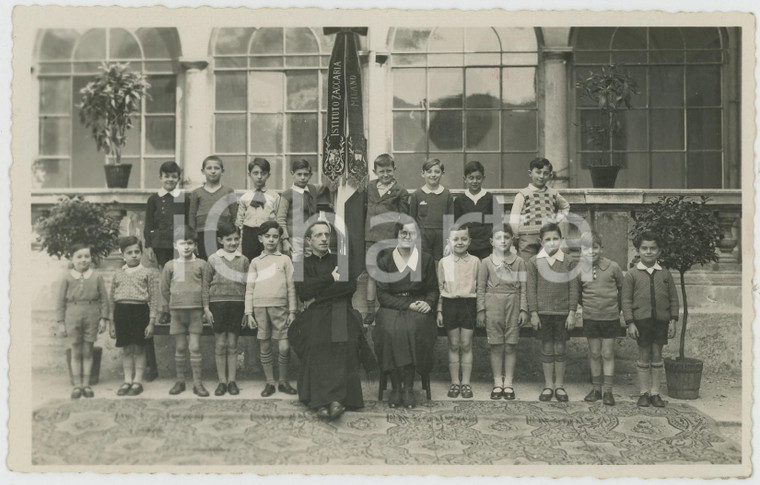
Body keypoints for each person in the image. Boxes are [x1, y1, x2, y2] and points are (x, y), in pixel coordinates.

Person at [289, 221, 375, 419]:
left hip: (339, 309)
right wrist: (329, 278)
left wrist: (318, 293)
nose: (324, 239)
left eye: (327, 235)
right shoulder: (302, 264)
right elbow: (303, 292)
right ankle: (320, 401)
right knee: (316, 343)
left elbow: (348, 288)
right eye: (318, 235)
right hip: (316, 313)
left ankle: (336, 401)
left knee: (342, 343)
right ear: (309, 241)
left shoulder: (341, 260)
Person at [373, 222, 439, 409]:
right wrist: (408, 304)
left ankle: (408, 387)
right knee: (388, 330)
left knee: (413, 328)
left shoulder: (425, 259)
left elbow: (433, 289)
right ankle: (395, 385)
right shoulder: (385, 260)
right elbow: (383, 295)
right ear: (397, 235)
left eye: (412, 233)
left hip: (419, 306)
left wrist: (428, 303)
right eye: (403, 233)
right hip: (392, 306)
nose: (407, 237)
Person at [622, 231, 679, 408]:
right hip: (641, 321)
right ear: (638, 251)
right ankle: (644, 392)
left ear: (659, 251)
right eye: (644, 248)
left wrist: (673, 320)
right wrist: (630, 322)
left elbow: (673, 299)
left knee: (657, 354)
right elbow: (626, 300)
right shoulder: (632, 274)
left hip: (661, 321)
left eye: (653, 248)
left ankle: (655, 393)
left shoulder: (665, 274)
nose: (648, 252)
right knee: (643, 354)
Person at [143, 160, 187, 381]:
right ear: (160, 177)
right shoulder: (154, 199)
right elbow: (148, 223)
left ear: (178, 178)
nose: (170, 180)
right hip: (160, 243)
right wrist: (149, 245)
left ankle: (177, 308)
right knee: (163, 278)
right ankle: (164, 310)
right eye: (166, 176)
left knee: (178, 277)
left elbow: (186, 222)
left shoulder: (182, 197)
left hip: (179, 244)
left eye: (174, 176)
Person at [244, 220, 298, 397]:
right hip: (260, 308)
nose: (271, 240)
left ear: (279, 239)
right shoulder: (255, 262)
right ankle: (269, 383)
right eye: (267, 236)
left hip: (280, 308)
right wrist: (248, 312)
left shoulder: (285, 260)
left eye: (275, 236)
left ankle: (283, 381)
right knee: (265, 344)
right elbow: (249, 288)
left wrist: (292, 311)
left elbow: (291, 287)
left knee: (283, 347)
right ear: (260, 238)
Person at [526, 223, 578, 402]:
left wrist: (572, 312)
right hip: (543, 313)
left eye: (555, 238)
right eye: (547, 239)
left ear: (561, 240)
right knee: (547, 347)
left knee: (560, 347)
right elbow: (530, 289)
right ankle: (548, 385)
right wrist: (533, 313)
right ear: (541, 241)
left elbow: (573, 289)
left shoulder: (569, 261)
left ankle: (560, 386)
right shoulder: (534, 262)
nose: (552, 242)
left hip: (563, 313)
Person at [160, 225, 213, 397]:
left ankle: (198, 384)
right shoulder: (170, 265)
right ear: (175, 246)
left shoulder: (202, 265)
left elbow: (206, 288)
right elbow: (164, 289)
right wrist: (172, 303)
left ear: (195, 245)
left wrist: (206, 308)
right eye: (182, 243)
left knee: (195, 347)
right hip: (177, 312)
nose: (186, 247)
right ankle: (180, 381)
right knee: (181, 347)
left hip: (196, 312)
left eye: (190, 243)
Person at [477, 224, 528, 401]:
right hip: (493, 304)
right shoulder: (486, 262)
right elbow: (480, 288)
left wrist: (523, 309)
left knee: (511, 344)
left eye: (506, 237)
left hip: (512, 303)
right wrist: (481, 309)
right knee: (496, 345)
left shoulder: (519, 261)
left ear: (512, 240)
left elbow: (523, 288)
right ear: (492, 241)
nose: (503, 241)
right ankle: (498, 382)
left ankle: (509, 383)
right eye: (499, 238)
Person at [576, 232, 624, 406]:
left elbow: (622, 290)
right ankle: (596, 389)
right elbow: (579, 294)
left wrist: (617, 310)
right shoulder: (581, 269)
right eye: (586, 248)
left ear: (601, 249)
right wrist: (589, 307)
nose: (591, 251)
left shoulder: (613, 267)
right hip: (591, 317)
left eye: (595, 247)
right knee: (595, 353)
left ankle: (608, 391)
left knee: (608, 353)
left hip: (610, 318)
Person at [55, 244, 109, 399]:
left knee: (88, 351)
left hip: (91, 315)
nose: (83, 260)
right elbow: (60, 302)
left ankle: (86, 384)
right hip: (72, 316)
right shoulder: (67, 277)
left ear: (91, 258)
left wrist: (103, 319)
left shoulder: (96, 276)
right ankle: (77, 385)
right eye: (79, 257)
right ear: (72, 259)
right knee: (76, 352)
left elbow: (104, 300)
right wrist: (60, 323)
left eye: (87, 256)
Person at [364, 154, 410, 325]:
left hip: (390, 239)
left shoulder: (400, 191)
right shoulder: (368, 187)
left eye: (388, 171)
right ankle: (370, 311)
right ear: (374, 171)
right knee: (372, 275)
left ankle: (389, 309)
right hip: (370, 238)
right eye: (381, 171)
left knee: (391, 274)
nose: (385, 174)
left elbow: (404, 217)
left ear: (394, 170)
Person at [109, 236, 158, 397]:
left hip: (140, 312)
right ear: (123, 254)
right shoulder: (117, 273)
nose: (134, 255)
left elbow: (154, 299)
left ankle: (137, 381)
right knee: (127, 349)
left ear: (141, 253)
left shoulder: (147, 273)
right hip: (121, 313)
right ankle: (127, 380)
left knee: (140, 348)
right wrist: (111, 322)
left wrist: (151, 322)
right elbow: (111, 299)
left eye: (137, 251)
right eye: (129, 252)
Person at [437, 225, 479, 400]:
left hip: (469, 304)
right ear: (449, 242)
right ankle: (455, 382)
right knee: (454, 344)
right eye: (455, 239)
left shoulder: (476, 262)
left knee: (466, 344)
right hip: (450, 304)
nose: (459, 242)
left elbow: (480, 287)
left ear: (469, 241)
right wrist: (439, 310)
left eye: (463, 239)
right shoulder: (443, 262)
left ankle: (466, 383)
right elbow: (440, 287)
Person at [207, 221, 249, 396]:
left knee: (232, 344)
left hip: (237, 304)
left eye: (236, 239)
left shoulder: (244, 260)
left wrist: (247, 310)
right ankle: (221, 382)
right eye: (228, 239)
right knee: (220, 344)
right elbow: (205, 285)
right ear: (220, 240)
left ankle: (232, 381)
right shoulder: (213, 259)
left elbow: (249, 287)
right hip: (217, 305)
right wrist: (206, 309)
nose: (233, 243)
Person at [509, 157, 570, 263]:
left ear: (550, 175)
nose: (541, 176)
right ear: (530, 173)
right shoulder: (522, 194)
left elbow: (565, 207)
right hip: (527, 238)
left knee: (546, 264)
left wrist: (555, 220)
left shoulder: (553, 193)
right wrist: (516, 236)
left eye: (545, 173)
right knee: (527, 265)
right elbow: (514, 217)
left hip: (547, 236)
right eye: (538, 172)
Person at [188, 155, 238, 260]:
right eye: (209, 168)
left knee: (223, 263)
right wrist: (193, 238)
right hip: (202, 233)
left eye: (216, 168)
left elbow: (234, 215)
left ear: (222, 171)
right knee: (204, 264)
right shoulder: (196, 193)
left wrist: (234, 234)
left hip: (223, 235)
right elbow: (192, 216)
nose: (213, 171)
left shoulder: (229, 191)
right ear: (203, 171)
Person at [409, 158, 455, 263]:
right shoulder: (417, 195)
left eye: (437, 172)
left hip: (441, 236)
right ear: (422, 173)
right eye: (429, 171)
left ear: (442, 174)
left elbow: (450, 221)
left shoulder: (447, 195)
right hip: (422, 236)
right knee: (423, 264)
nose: (433, 175)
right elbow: (412, 220)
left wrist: (449, 242)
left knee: (440, 264)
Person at [236, 157, 280, 262]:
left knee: (268, 261)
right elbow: (239, 222)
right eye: (255, 173)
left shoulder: (274, 196)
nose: (259, 176)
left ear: (268, 175)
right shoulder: (245, 197)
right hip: (248, 234)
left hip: (267, 233)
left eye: (263, 173)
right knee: (249, 261)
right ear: (249, 175)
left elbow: (278, 219)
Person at [275, 158, 319, 262]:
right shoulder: (287, 194)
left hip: (311, 235)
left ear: (310, 175)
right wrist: (285, 240)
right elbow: (280, 219)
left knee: (311, 262)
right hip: (294, 237)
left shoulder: (312, 189)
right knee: (297, 264)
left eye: (306, 174)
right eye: (299, 174)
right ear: (292, 174)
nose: (303, 178)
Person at [453, 160, 494, 260]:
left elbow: (495, 223)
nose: (475, 181)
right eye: (471, 178)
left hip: (485, 247)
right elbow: (456, 225)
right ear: (465, 179)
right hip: (466, 247)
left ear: (483, 178)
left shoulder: (489, 198)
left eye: (478, 178)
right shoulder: (459, 200)